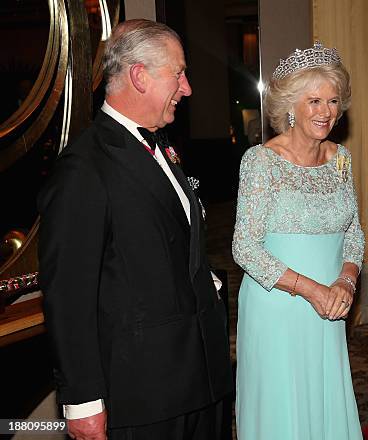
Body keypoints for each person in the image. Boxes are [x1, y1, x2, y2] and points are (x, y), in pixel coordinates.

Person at [38, 19, 232, 440]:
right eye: (178, 74)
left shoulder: (163, 146)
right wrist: (83, 402)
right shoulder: (84, 169)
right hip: (144, 394)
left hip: (200, 377)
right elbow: (69, 298)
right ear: (140, 76)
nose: (187, 88)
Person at [232, 42, 364, 440]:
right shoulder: (260, 161)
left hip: (330, 306)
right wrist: (310, 290)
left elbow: (354, 232)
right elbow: (245, 247)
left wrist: (346, 281)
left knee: (324, 403)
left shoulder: (341, 158)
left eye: (333, 100)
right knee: (283, 409)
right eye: (314, 100)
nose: (325, 111)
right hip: (279, 306)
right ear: (291, 106)